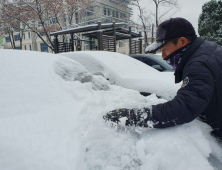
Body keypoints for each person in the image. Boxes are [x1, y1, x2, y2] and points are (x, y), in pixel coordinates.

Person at [103, 17, 222, 139]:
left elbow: (184, 109)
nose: (164, 56)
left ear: (182, 42)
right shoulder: (208, 50)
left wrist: (128, 116)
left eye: (165, 49)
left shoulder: (199, 64)